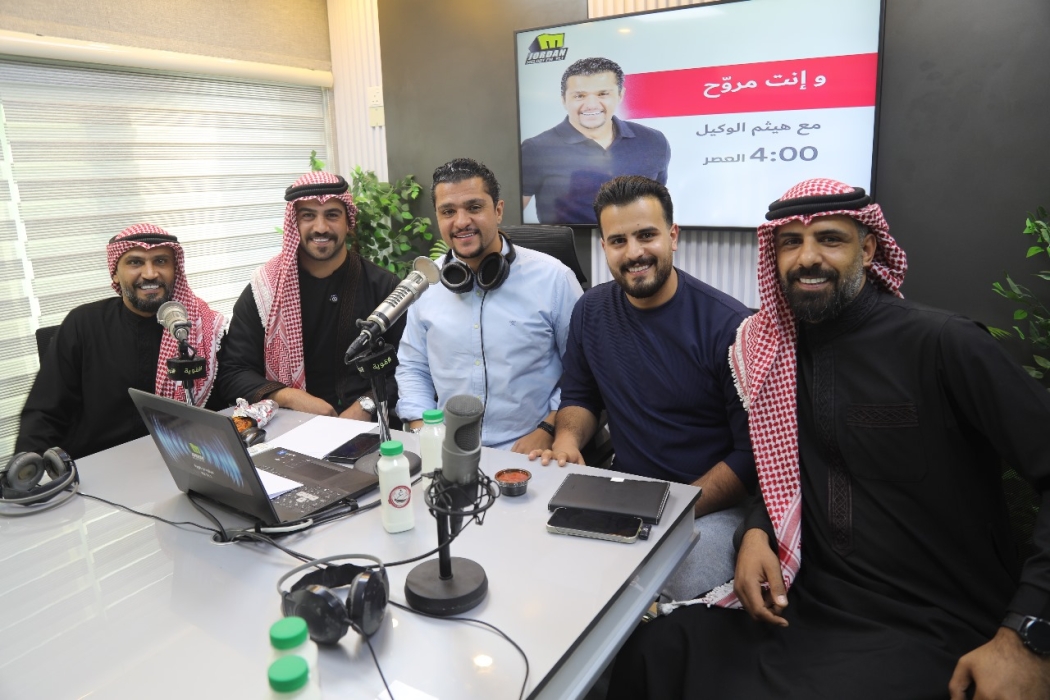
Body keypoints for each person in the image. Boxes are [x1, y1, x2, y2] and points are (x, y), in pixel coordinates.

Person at [607, 178, 1050, 699]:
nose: (807, 258)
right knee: (652, 651)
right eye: (790, 242)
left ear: (869, 248)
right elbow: (784, 471)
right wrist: (756, 533)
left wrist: (1026, 634)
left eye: (830, 239)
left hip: (929, 619)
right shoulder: (776, 356)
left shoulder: (943, 344)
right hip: (809, 599)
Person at [529, 175, 755, 598]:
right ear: (604, 247)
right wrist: (567, 441)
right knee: (545, 568)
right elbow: (580, 396)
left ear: (673, 236)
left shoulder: (730, 326)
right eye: (618, 241)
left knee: (647, 593)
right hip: (624, 494)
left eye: (646, 235)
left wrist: (672, 507)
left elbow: (749, 458)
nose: (634, 253)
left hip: (708, 506)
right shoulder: (591, 310)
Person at [395, 158, 583, 452]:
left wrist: (549, 427)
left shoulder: (554, 279)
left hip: (530, 449)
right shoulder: (426, 283)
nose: (461, 222)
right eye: (448, 211)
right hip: (448, 449)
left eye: (474, 207)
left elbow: (581, 371)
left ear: (498, 210)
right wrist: (422, 430)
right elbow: (413, 367)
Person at [16, 223, 224, 459]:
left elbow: (220, 405)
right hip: (97, 464)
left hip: (178, 459)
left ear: (175, 270)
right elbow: (44, 413)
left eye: (161, 261)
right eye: (135, 262)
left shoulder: (198, 329)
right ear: (115, 272)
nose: (150, 274)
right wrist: (29, 469)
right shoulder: (83, 324)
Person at [217, 171, 404, 421]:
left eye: (332, 215)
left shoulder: (384, 287)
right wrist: (289, 396)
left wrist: (368, 404)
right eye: (308, 216)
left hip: (368, 426)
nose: (321, 227)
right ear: (294, 223)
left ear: (348, 221)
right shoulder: (265, 290)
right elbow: (233, 372)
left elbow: (408, 367)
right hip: (288, 423)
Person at [521, 57, 671, 226]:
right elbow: (511, 216)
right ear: (564, 100)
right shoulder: (536, 149)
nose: (591, 105)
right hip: (568, 244)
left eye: (603, 94)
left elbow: (658, 207)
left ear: (620, 95)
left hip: (635, 242)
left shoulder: (653, 141)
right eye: (579, 96)